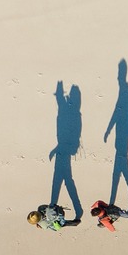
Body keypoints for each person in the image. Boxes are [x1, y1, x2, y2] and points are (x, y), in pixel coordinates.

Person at [101, 59, 128, 216]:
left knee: (120, 161)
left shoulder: (127, 94)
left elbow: (117, 111)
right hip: (123, 131)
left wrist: (108, 129)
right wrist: (108, 129)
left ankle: (122, 163)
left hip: (123, 131)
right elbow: (118, 111)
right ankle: (121, 162)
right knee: (120, 154)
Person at [46, 80, 81, 227]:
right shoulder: (75, 115)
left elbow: (61, 104)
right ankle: (76, 210)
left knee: (63, 180)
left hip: (63, 149)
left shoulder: (72, 114)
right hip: (65, 149)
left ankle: (76, 211)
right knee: (67, 181)